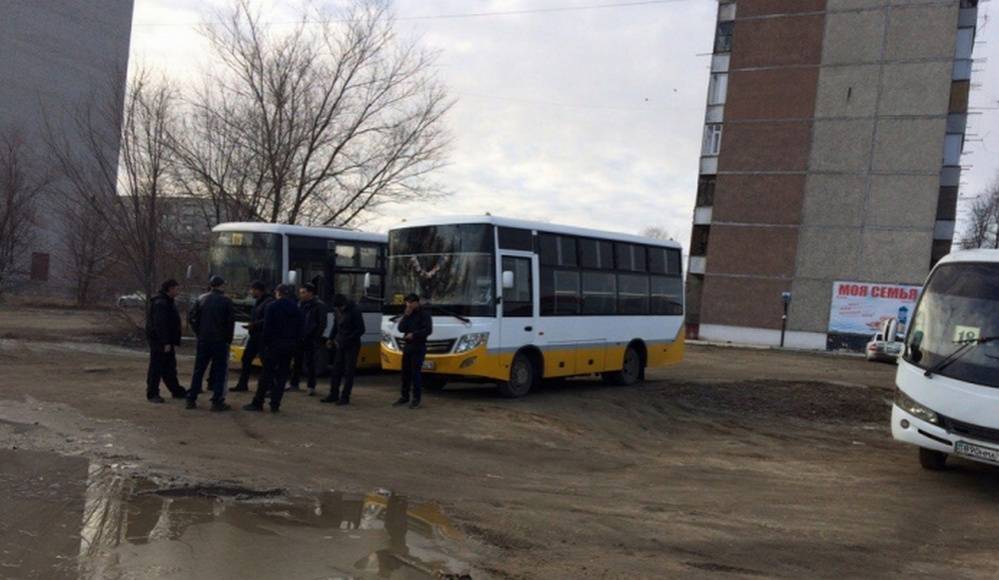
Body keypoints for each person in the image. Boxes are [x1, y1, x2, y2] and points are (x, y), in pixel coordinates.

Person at [245, 284, 302, 413]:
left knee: (266, 374)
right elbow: (300, 329)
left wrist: (264, 346)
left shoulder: (272, 307)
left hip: (273, 346)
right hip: (288, 347)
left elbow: (267, 329)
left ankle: (258, 402)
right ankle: (275, 404)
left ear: (278, 293)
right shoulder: (296, 308)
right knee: (282, 375)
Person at [186, 275, 236, 412]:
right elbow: (230, 323)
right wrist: (228, 340)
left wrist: (199, 332)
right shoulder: (226, 301)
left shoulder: (201, 299)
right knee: (220, 371)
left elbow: (191, 317)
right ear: (221, 286)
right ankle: (217, 400)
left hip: (203, 340)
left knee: (199, 370)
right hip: (220, 341)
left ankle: (191, 398)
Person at [145, 279, 186, 403]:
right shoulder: (161, 303)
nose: (178, 291)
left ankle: (176, 390)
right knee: (156, 367)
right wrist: (165, 342)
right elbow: (160, 325)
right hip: (160, 342)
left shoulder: (167, 302)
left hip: (166, 341)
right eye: (176, 288)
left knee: (169, 367)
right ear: (170, 289)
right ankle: (152, 393)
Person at [321, 294, 366, 405]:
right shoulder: (337, 311)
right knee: (336, 370)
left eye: (340, 308)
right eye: (337, 308)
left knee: (348, 371)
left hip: (352, 345)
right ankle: (333, 394)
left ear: (344, 305)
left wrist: (347, 339)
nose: (339, 310)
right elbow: (335, 326)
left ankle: (345, 396)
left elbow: (361, 329)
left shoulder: (355, 311)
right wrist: (330, 338)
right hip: (340, 344)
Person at [232, 281, 274, 392]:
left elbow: (268, 319)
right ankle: (242, 384)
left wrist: (254, 325)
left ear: (258, 290)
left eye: (252, 289)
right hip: (254, 335)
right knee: (246, 359)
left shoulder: (269, 302)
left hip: (262, 336)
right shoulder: (259, 302)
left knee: (265, 362)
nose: (251, 292)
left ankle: (271, 386)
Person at [394, 294, 432, 409]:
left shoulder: (424, 314)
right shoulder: (408, 314)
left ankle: (416, 398)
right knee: (405, 372)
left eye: (411, 302)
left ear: (417, 302)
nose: (409, 305)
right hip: (408, 346)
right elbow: (400, 329)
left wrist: (414, 335)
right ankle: (404, 396)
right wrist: (406, 316)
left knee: (415, 373)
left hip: (419, 346)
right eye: (407, 303)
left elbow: (428, 330)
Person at [289, 283, 326, 396]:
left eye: (303, 292)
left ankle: (311, 386)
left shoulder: (319, 306)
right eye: (300, 292)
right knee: (297, 362)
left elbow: (321, 323)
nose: (301, 295)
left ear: (310, 293)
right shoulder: (300, 304)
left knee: (310, 363)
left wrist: (315, 337)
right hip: (299, 337)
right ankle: (294, 383)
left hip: (311, 339)